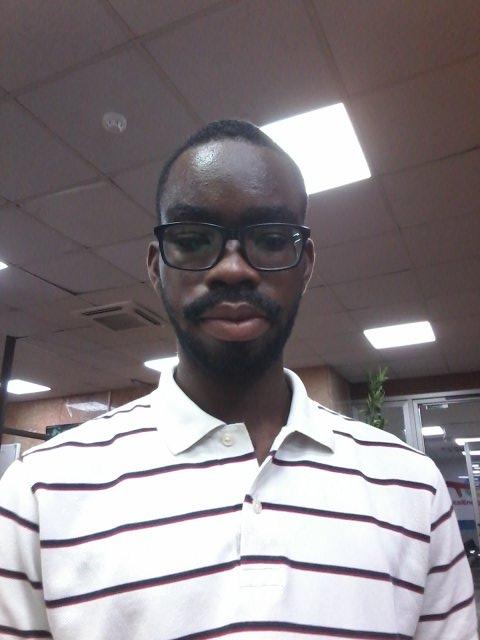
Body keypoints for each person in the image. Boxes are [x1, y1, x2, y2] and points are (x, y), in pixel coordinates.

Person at [0, 120, 477, 640]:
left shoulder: (413, 489)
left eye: (270, 239)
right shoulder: (39, 493)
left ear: (305, 264)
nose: (232, 269)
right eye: (192, 239)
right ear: (157, 266)